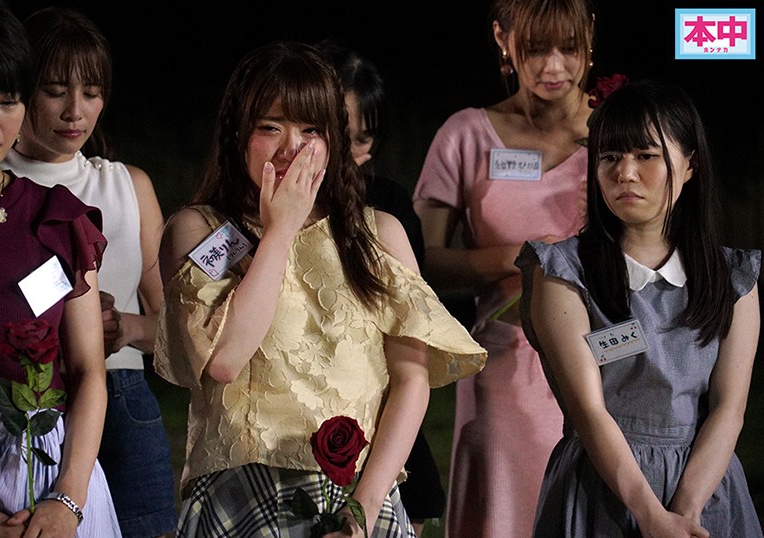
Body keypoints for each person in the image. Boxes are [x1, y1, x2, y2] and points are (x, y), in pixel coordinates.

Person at [153, 40, 487, 537]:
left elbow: (411, 380)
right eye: (270, 127)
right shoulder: (199, 229)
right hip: (243, 498)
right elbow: (223, 358)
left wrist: (363, 509)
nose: (292, 147)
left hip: (359, 498)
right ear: (237, 132)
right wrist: (280, 230)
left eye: (311, 129)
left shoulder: (379, 233)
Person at [515, 79, 763, 537]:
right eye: (610, 157)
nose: (625, 173)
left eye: (646, 156)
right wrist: (650, 516)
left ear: (690, 165)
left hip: (707, 488)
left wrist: (685, 512)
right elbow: (589, 411)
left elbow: (729, 409)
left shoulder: (733, 280)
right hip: (602, 491)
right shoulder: (562, 274)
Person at [411, 0, 593, 535]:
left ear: (591, 36)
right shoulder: (467, 135)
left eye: (569, 47)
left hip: (609, 351)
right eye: (536, 49)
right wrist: (524, 254)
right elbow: (419, 262)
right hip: (508, 364)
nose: (554, 66)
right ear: (501, 38)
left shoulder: (622, 131)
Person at [0, 7, 178, 537]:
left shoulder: (128, 186)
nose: (75, 111)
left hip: (123, 398)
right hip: (25, 405)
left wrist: (127, 328)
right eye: (55, 91)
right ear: (20, 89)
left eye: (92, 92)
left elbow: (178, 327)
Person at [0, 1, 121, 536]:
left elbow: (88, 371)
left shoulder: (56, 218)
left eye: (8, 100)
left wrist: (68, 500)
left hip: (58, 481)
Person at [315, 38, 445, 537]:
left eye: (364, 138)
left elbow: (410, 331)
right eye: (335, 132)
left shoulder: (385, 210)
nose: (350, 152)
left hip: (380, 415)